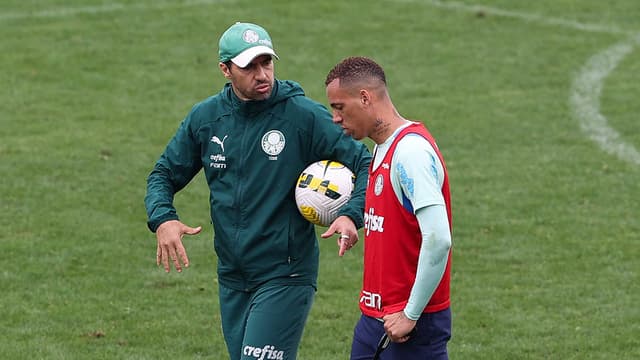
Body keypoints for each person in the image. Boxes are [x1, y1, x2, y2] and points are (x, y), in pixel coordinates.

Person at [144, 23, 371, 360]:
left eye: (267, 62)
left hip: (286, 274)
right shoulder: (207, 119)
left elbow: (366, 163)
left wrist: (352, 215)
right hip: (233, 278)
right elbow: (163, 174)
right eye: (249, 66)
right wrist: (163, 219)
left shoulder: (303, 117)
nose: (262, 73)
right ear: (225, 70)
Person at [325, 57, 453, 360]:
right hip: (375, 316)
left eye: (339, 107)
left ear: (365, 98)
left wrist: (410, 313)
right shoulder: (382, 147)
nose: (335, 117)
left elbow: (439, 239)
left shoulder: (411, 153)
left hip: (409, 325)